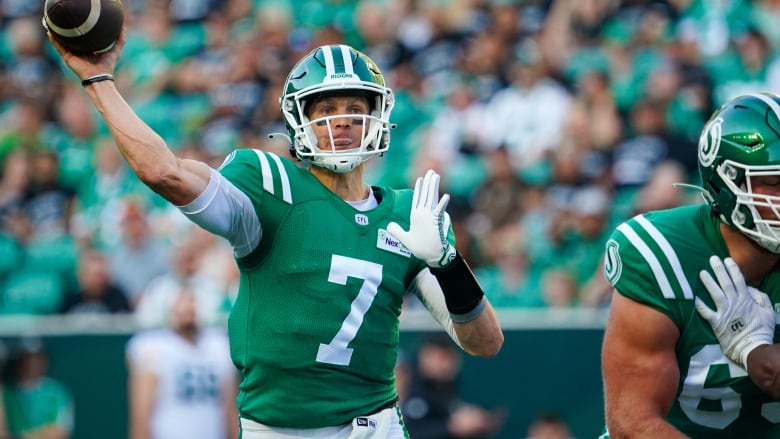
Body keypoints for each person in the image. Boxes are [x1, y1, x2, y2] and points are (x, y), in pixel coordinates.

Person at [47, 29, 503, 437]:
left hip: (375, 425)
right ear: (299, 121)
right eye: (326, 108)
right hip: (277, 430)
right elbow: (163, 172)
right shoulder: (268, 183)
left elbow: (484, 342)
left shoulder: (409, 214)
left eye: (354, 108)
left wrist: (447, 263)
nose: (341, 120)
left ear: (377, 117)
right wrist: (98, 80)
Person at [600, 92, 780, 438]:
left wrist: (758, 353)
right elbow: (633, 423)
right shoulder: (662, 253)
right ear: (726, 182)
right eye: (775, 183)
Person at [126, 288, 239, 439]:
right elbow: (141, 415)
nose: (187, 308)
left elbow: (230, 409)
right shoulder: (154, 348)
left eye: (191, 301)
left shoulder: (219, 348)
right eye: (181, 301)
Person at [400, 334, 505, 439]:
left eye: (448, 357)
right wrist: (452, 427)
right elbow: (411, 432)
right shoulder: (411, 386)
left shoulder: (446, 384)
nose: (445, 363)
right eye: (440, 357)